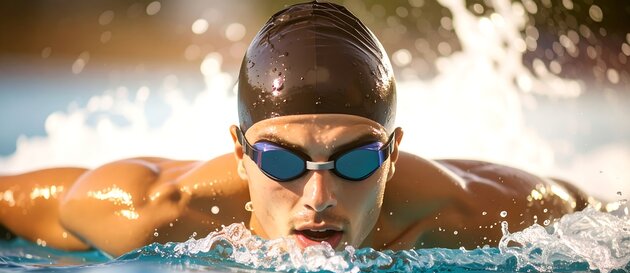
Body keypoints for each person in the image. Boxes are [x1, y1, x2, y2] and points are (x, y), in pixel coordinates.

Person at [0, 1, 593, 257]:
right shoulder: (149, 210)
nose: (319, 198)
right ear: (238, 153)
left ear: (391, 155)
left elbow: (587, 209)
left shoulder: (468, 212)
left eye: (354, 162)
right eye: (282, 163)